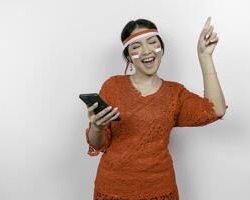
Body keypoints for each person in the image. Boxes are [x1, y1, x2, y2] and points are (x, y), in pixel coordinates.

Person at [85, 17, 228, 200]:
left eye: (152, 42)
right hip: (112, 188)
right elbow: (98, 144)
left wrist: (205, 57)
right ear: (128, 56)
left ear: (161, 49)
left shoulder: (175, 93)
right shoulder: (112, 86)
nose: (146, 50)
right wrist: (96, 127)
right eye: (136, 46)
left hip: (160, 189)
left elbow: (216, 110)